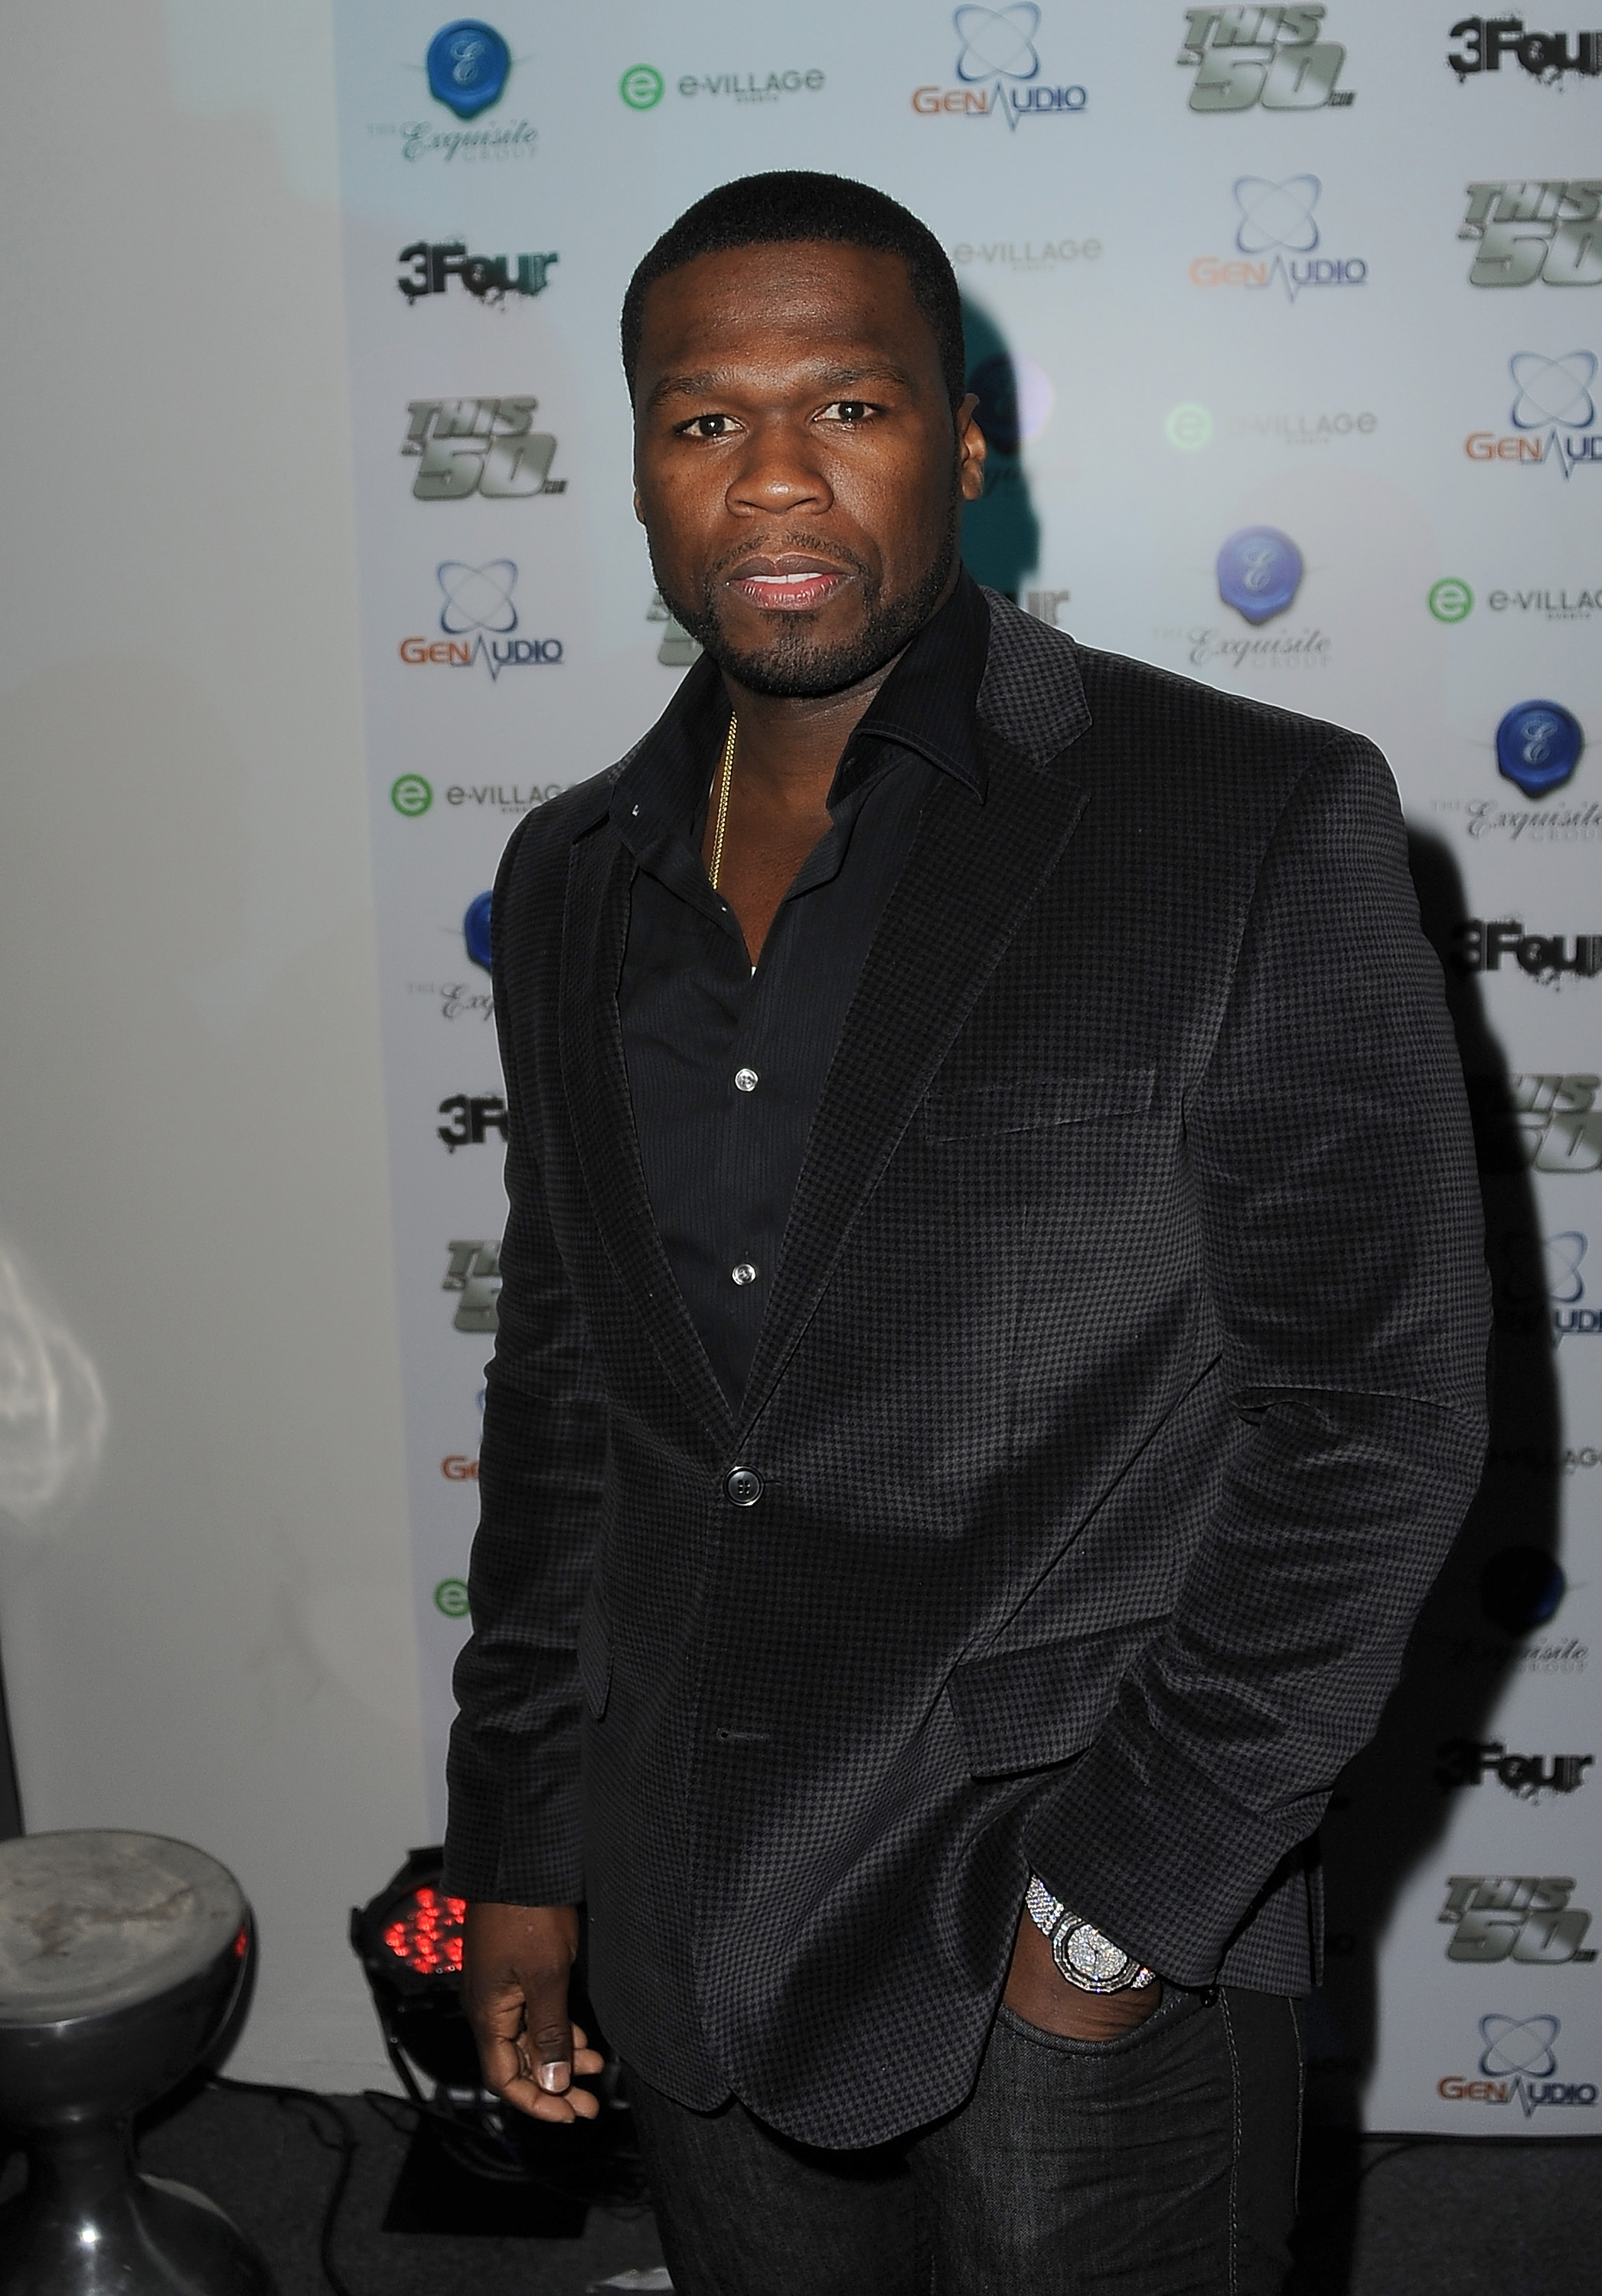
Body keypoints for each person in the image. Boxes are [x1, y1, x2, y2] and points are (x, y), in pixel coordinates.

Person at [449, 171, 1489, 2295]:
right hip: (693, 1913)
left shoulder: (1242, 819)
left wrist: (1123, 1906)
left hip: (1066, 1920)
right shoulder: (568, 879)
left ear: (969, 443)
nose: (776, 480)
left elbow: (1374, 1418)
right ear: (639, 467)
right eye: (703, 419)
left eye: (850, 403)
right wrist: (526, 1854)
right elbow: (568, 1390)